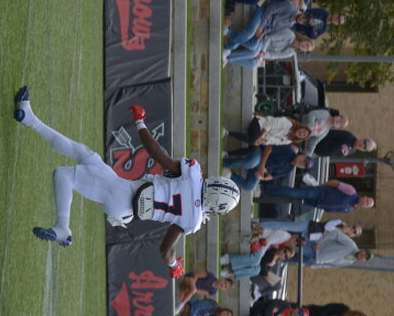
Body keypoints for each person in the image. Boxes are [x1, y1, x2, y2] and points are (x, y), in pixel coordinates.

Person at [13, 86, 240, 276]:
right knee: (84, 153)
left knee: (63, 175)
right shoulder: (193, 220)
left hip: (122, 194)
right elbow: (166, 250)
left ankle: (63, 227)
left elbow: (157, 154)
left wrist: (140, 123)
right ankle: (29, 118)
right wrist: (174, 266)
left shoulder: (193, 175)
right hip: (125, 205)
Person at [222, 144, 313, 191]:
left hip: (260, 170)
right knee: (251, 163)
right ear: (303, 155)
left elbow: (272, 176)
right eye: (304, 160)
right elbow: (268, 148)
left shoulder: (289, 169)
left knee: (250, 187)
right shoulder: (289, 151)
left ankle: (228, 174)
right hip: (260, 154)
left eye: (303, 165)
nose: (301, 163)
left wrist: (262, 177)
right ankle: (225, 162)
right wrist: (262, 166)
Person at [224, 0, 301, 53]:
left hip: (264, 27)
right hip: (262, 13)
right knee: (250, 33)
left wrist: (263, 33)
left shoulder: (291, 24)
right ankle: (230, 48)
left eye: (303, 22)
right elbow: (270, 9)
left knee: (253, 45)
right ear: (303, 13)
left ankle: (229, 32)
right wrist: (261, 25)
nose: (301, 20)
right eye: (304, 17)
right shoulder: (289, 7)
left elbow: (274, 28)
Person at [258, 179, 375, 214]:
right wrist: (320, 187)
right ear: (365, 197)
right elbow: (334, 183)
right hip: (318, 193)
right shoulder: (351, 191)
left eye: (367, 204)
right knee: (292, 192)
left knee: (288, 199)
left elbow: (332, 210)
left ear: (365, 207)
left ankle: (265, 194)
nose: (365, 203)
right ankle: (264, 189)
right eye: (367, 200)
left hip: (315, 204)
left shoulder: (349, 210)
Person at [223, 29, 314, 69]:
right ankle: (229, 53)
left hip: (263, 52)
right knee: (254, 52)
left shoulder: (291, 53)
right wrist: (262, 51)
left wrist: (262, 56)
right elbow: (269, 38)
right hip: (263, 40)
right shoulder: (290, 35)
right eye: (307, 44)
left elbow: (274, 56)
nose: (305, 46)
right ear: (304, 40)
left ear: (304, 51)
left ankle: (229, 59)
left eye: (307, 48)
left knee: (253, 64)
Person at [227, 114, 312, 157]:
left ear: (301, 138)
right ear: (301, 127)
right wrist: (260, 137)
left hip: (261, 136)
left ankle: (227, 154)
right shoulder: (289, 123)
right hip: (259, 123)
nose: (302, 133)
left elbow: (273, 141)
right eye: (303, 131)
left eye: (303, 135)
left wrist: (262, 141)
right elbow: (269, 124)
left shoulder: (288, 141)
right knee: (253, 140)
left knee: (252, 150)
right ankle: (228, 133)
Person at [284, 229, 373, 268]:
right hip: (313, 248)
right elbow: (335, 234)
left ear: (363, 261)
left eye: (365, 258)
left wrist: (314, 266)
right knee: (287, 246)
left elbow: (330, 265)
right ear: (363, 250)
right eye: (365, 254)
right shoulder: (351, 245)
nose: (363, 256)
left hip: (313, 260)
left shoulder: (349, 262)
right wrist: (320, 241)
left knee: (285, 258)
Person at [219, 244, 295, 280]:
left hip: (257, 263)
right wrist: (265, 274)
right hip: (259, 253)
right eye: (285, 251)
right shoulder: (273, 249)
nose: (283, 254)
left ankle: (230, 271)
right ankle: (228, 258)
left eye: (286, 256)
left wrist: (266, 273)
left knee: (256, 271)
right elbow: (263, 261)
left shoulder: (275, 262)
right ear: (283, 248)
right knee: (256, 262)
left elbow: (263, 269)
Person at [260, 219, 362, 241]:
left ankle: (260, 234)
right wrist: (337, 229)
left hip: (309, 236)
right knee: (284, 226)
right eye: (354, 227)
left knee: (284, 236)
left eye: (354, 231)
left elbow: (325, 237)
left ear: (352, 235)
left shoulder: (340, 238)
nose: (352, 229)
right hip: (308, 226)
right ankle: (260, 225)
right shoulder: (339, 222)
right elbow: (327, 226)